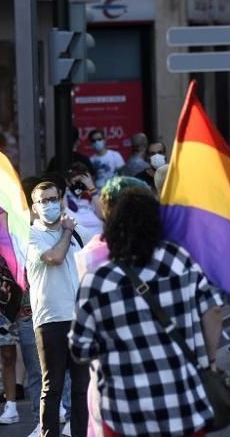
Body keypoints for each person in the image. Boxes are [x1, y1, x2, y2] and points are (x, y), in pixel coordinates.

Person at [70, 191, 223, 437]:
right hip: (183, 404)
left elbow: (80, 349)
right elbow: (214, 311)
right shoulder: (179, 261)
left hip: (124, 411)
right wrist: (211, 361)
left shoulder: (98, 280)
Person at [73, 176, 150, 437]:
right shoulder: (174, 256)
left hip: (113, 388)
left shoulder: (92, 258)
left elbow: (81, 343)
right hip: (166, 388)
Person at [27, 180, 88, 437]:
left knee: (82, 388)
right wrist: (65, 232)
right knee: (53, 386)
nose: (50, 204)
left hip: (79, 319)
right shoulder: (32, 234)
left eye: (54, 199)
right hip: (50, 320)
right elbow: (54, 258)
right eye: (44, 201)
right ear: (34, 207)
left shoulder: (76, 231)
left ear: (61, 200)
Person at [0, 240, 41, 429]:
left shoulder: (34, 234)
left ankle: (41, 414)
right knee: (7, 355)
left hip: (30, 308)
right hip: (5, 307)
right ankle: (11, 406)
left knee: (34, 362)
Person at [64, 163, 104, 239]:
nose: (79, 184)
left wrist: (91, 187)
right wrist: (66, 187)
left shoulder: (92, 195)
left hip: (97, 239)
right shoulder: (65, 194)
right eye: (77, 181)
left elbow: (101, 215)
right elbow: (66, 214)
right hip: (80, 239)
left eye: (82, 181)